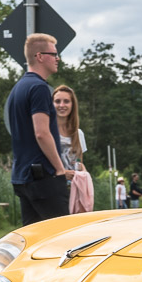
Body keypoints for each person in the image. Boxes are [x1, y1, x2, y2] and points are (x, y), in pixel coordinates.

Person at [8, 33, 70, 225]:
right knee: (61, 237)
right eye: (53, 54)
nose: (57, 58)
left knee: (35, 242)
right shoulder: (39, 88)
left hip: (22, 178)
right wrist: (60, 169)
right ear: (40, 57)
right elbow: (41, 133)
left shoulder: (18, 88)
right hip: (43, 179)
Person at [53, 85, 93, 214]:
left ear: (72, 105)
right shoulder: (48, 133)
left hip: (75, 191)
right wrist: (62, 172)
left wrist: (84, 174)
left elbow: (79, 162)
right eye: (57, 101)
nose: (61, 105)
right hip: (54, 190)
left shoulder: (78, 133)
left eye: (66, 101)